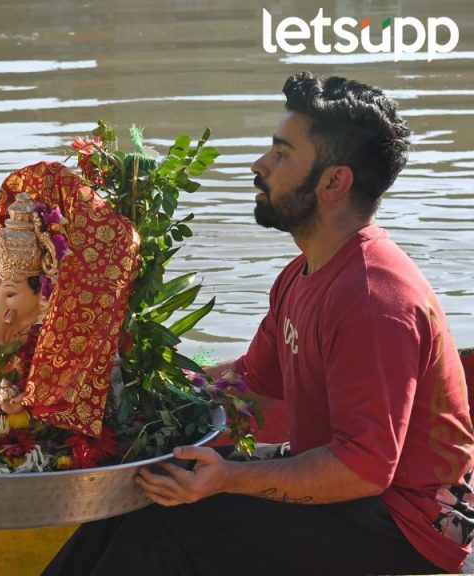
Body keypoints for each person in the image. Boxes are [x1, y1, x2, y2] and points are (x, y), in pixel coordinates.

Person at [43, 73, 474, 575]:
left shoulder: (373, 298)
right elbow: (249, 378)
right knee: (138, 487)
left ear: (335, 182)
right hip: (353, 491)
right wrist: (146, 378)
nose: (259, 165)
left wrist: (227, 478)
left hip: (408, 529)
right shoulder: (303, 273)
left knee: (168, 522)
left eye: (282, 154)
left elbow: (363, 469)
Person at [0, 193, 57, 414]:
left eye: (11, 294)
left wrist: (24, 400)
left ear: (41, 289)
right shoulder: (12, 328)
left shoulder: (52, 334)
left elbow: (55, 385)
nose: (1, 303)